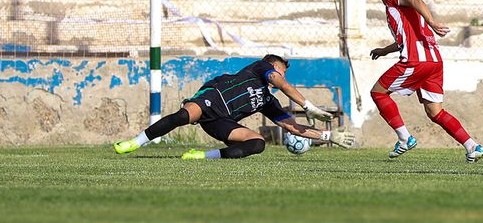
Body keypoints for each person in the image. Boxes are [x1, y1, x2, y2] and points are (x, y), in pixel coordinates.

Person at [113, 54, 355, 159]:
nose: (282, 73)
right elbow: (279, 81)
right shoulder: (259, 68)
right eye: (282, 68)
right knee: (183, 115)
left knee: (258, 144)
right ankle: (135, 142)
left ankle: (205, 156)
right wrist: (307, 104)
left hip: (221, 123)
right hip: (212, 100)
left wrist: (329, 135)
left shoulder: (268, 101)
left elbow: (291, 127)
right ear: (272, 65)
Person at [369, 0, 483, 162]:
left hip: (416, 61)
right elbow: (404, 40)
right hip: (433, 61)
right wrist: (384, 51)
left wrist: (431, 21)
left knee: (378, 92)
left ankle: (405, 138)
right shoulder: (402, 11)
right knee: (435, 112)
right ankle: (472, 146)